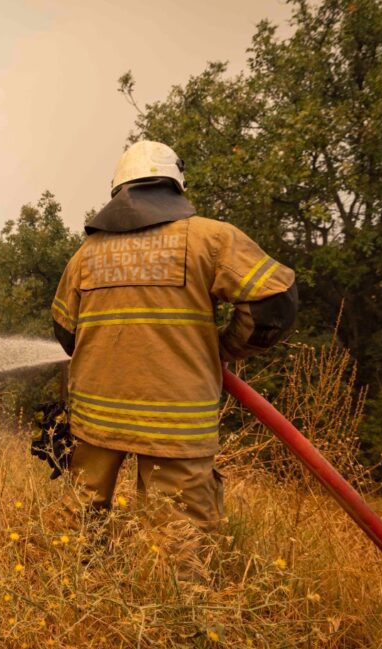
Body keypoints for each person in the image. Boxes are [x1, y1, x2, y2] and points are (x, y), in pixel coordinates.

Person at [51, 140, 297, 533]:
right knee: (177, 534)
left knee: (78, 518)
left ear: (118, 191)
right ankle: (173, 595)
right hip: (175, 423)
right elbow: (274, 305)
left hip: (96, 418)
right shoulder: (212, 239)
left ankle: (70, 588)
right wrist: (225, 348)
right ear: (173, 186)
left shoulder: (86, 254)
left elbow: (65, 333)